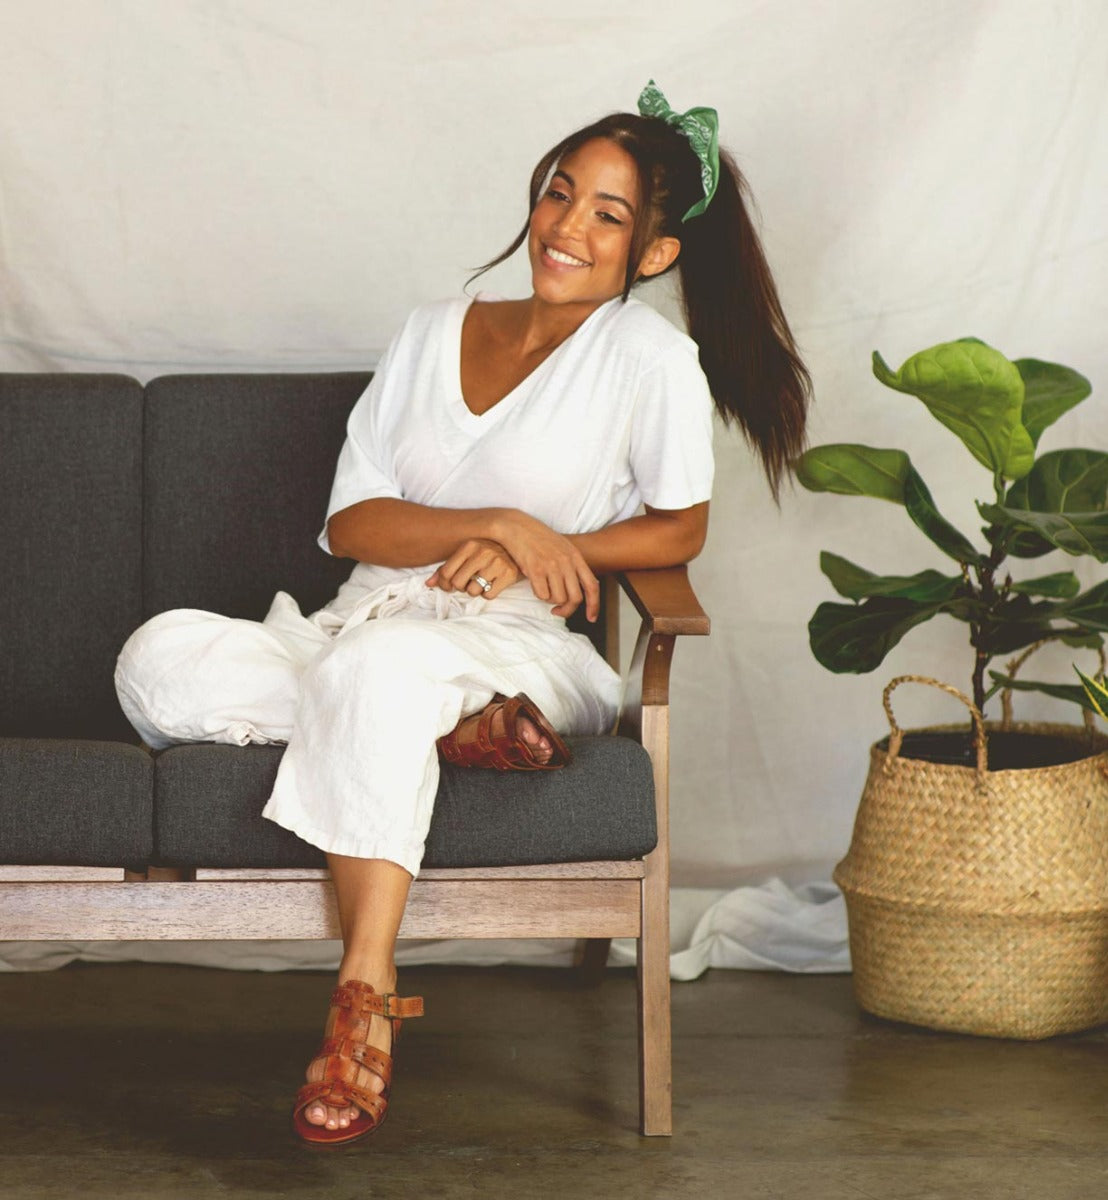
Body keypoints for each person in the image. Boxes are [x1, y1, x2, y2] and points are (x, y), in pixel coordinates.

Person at [114, 81, 811, 1146]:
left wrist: (554, 548)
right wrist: (498, 522)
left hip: (519, 647)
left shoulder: (649, 362)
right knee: (157, 663)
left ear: (654, 256)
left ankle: (364, 1001)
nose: (568, 227)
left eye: (607, 216)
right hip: (351, 626)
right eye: (559, 193)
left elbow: (677, 531)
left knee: (379, 676)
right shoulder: (432, 331)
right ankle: (450, 735)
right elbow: (353, 525)